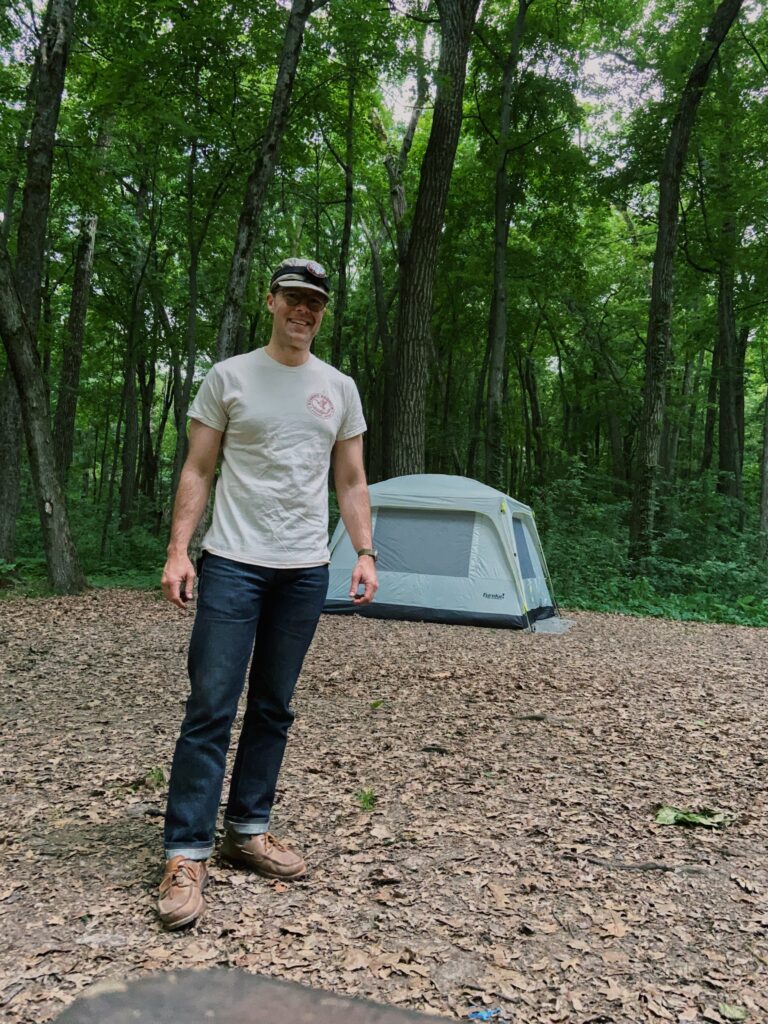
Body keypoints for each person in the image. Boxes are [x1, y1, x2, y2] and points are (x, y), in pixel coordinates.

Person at [157, 257, 378, 929]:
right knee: (211, 706)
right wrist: (177, 551)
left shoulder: (337, 387)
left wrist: (365, 551)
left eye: (315, 301)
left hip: (304, 568)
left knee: (275, 706)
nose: (303, 311)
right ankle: (185, 852)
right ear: (271, 300)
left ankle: (247, 829)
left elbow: (352, 480)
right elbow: (199, 467)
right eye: (293, 298)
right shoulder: (229, 376)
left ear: (322, 310)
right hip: (231, 563)